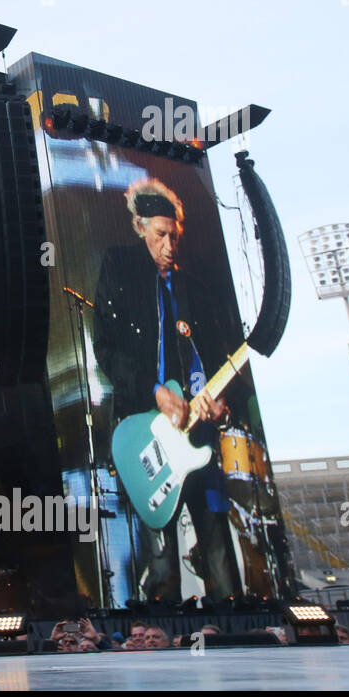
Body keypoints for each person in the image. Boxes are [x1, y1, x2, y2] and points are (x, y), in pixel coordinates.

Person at [93, 178, 242, 603]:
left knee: (217, 551)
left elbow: (214, 362)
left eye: (174, 236)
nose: (169, 245)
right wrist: (155, 391)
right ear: (140, 228)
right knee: (159, 563)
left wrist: (221, 409)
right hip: (147, 429)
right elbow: (105, 347)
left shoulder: (194, 289)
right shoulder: (119, 268)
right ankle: (163, 634)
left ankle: (229, 627)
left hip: (197, 433)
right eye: (160, 235)